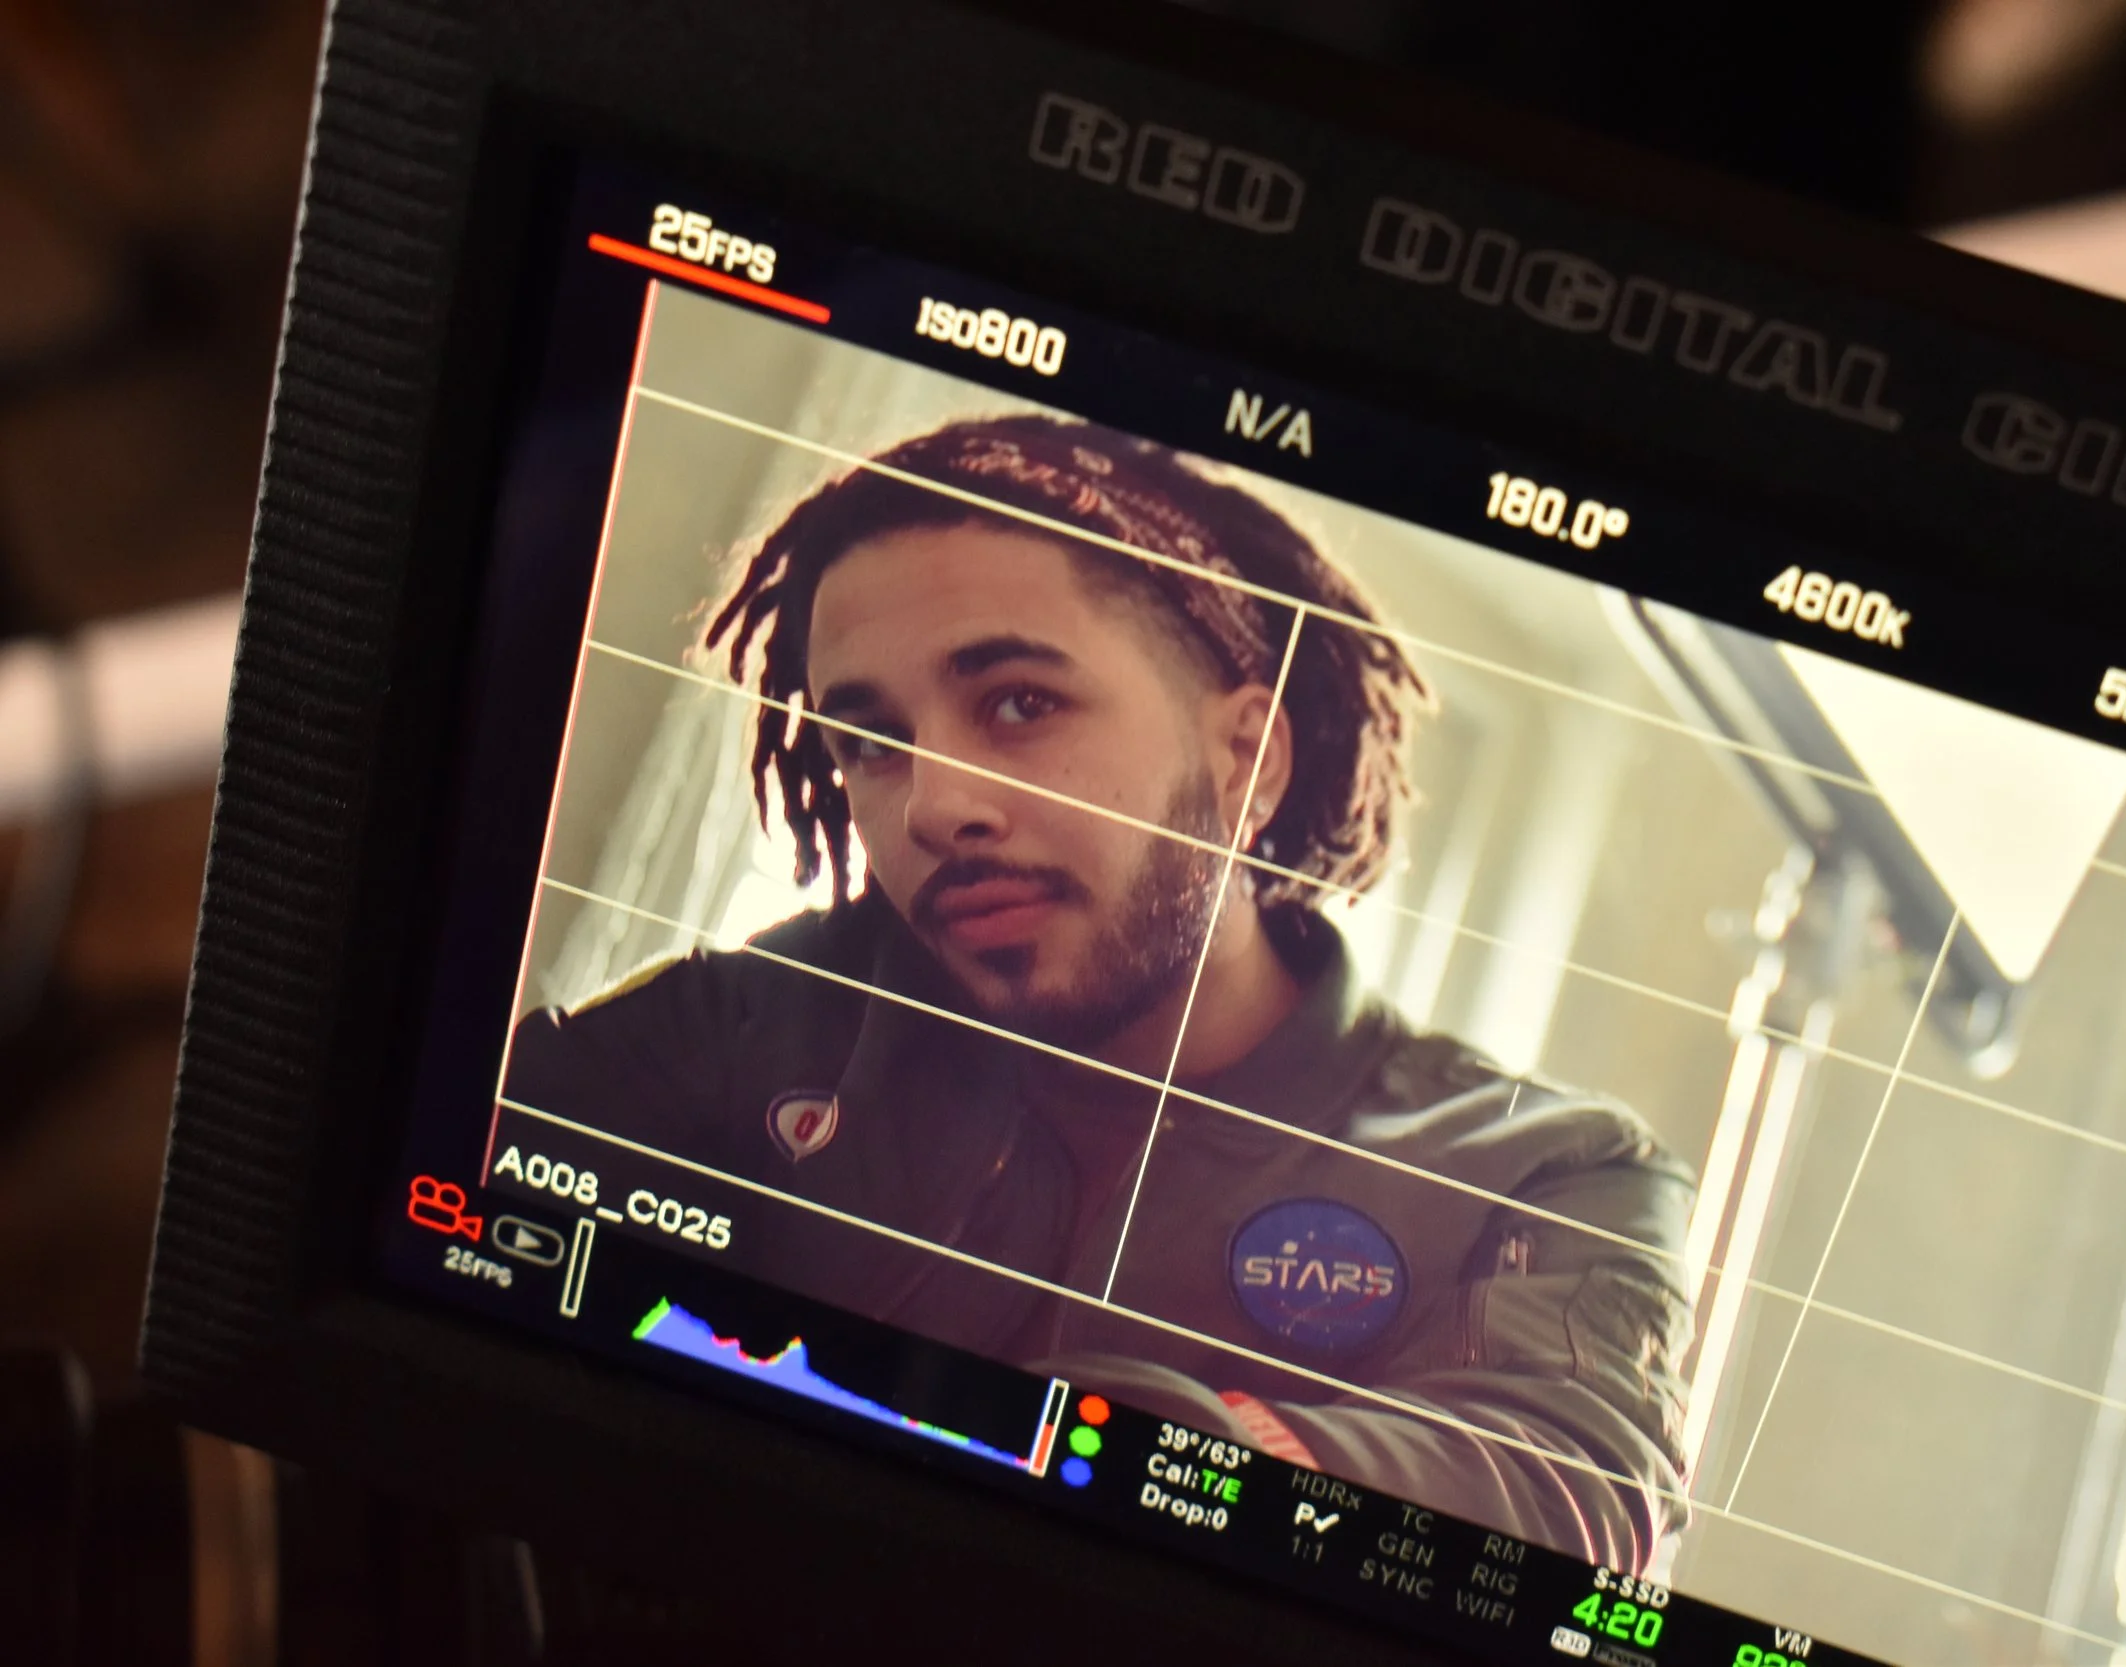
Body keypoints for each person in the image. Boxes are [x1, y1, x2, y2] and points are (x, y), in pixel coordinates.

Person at [506, 414, 1697, 1567]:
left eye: (1020, 703)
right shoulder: (747, 1022)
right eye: (870, 741)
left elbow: (1567, 1500)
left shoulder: (1540, 1167)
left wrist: (1109, 1454)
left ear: (1246, 758)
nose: (932, 804)